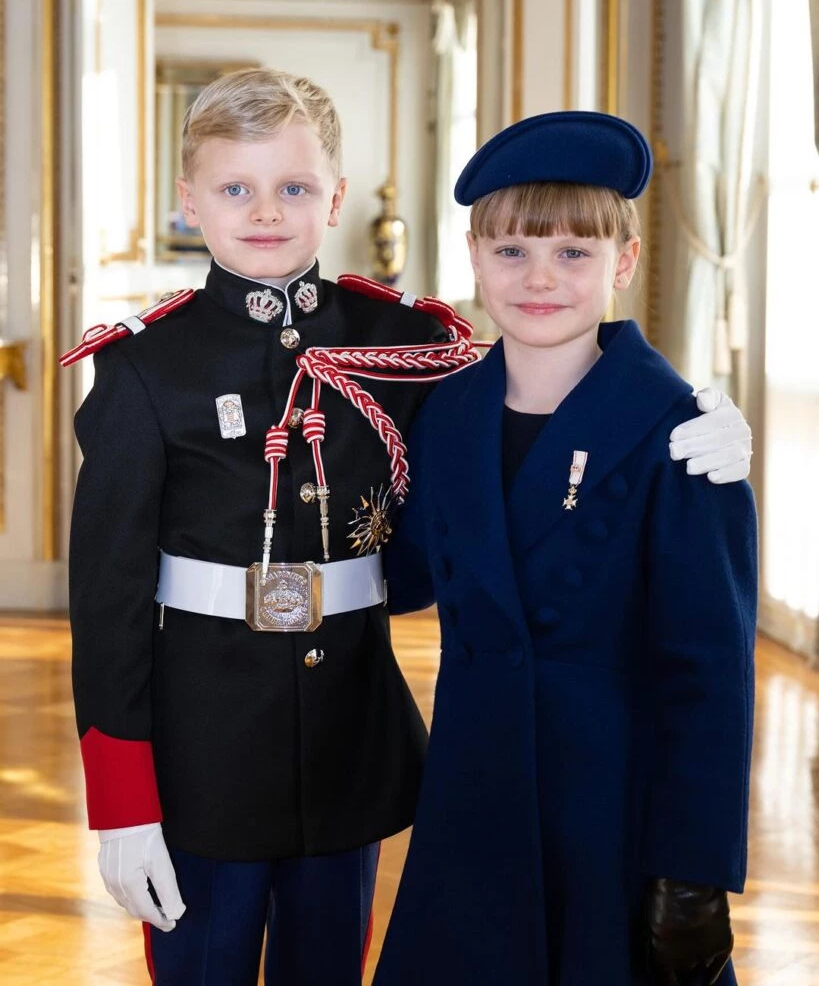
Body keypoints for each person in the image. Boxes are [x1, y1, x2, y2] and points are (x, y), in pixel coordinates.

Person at [62, 69, 751, 986]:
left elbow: (490, 512)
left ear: (335, 197)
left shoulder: (401, 348)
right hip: (206, 753)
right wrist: (121, 802)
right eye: (235, 188)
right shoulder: (150, 368)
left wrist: (703, 414)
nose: (266, 212)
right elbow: (106, 600)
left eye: (295, 187)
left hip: (359, 752)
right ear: (189, 199)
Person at [373, 112, 756, 986]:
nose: (539, 278)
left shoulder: (681, 435)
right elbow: (403, 576)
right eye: (511, 253)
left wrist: (694, 876)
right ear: (473, 255)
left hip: (610, 812)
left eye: (573, 254)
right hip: (472, 794)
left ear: (622, 261)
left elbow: (709, 679)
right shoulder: (447, 412)